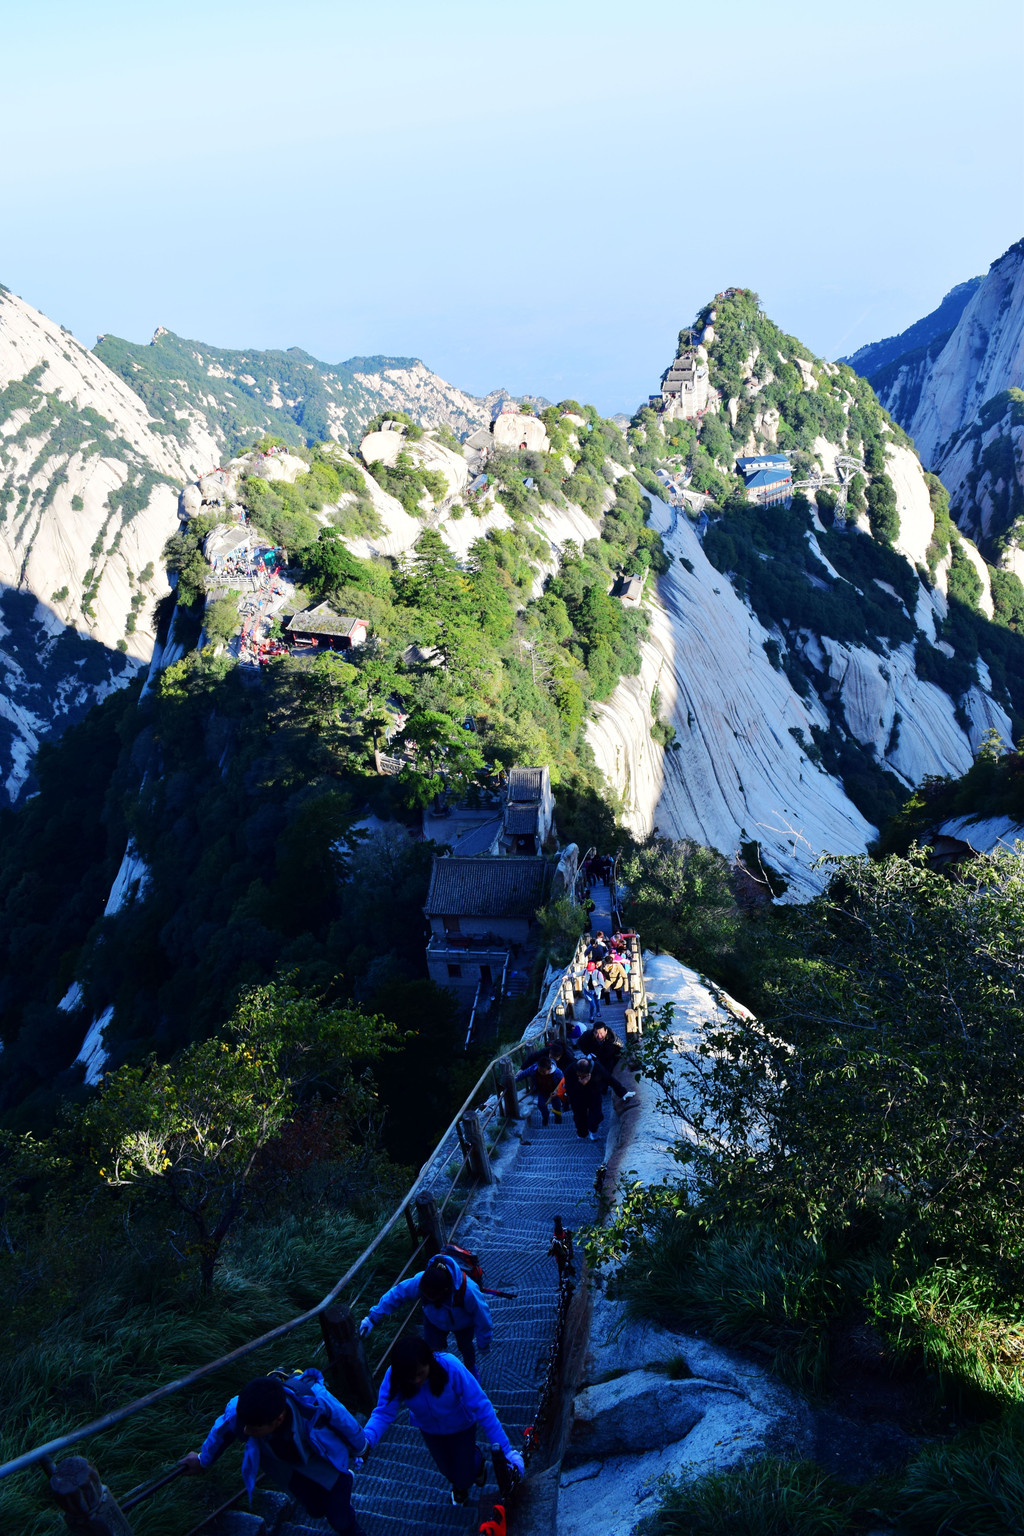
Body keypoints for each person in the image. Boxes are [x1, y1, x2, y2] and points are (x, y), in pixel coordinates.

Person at [182, 1372, 367, 1535]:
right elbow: (221, 1432)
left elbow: (344, 1420)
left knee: (339, 1517)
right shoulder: (244, 1413)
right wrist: (202, 1460)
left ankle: (351, 1528)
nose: (245, 1431)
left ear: (278, 1419)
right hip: (290, 1469)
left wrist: (361, 1448)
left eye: (254, 1428)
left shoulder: (312, 1400)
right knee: (315, 1509)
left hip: (326, 1462)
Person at [364, 1337, 524, 1507]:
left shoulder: (450, 1367)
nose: (416, 1381)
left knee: (464, 1475)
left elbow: (482, 1406)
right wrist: (366, 1439)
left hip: (461, 1426)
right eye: (410, 1378)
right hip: (430, 1430)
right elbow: (383, 1412)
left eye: (420, 1373)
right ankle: (470, 1469)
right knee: (447, 1470)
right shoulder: (395, 1376)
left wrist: (506, 1451)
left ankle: (470, 1471)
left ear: (429, 1361)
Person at [360, 1252, 492, 1376]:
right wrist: (372, 1318)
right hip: (433, 1321)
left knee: (466, 1347)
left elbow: (482, 1316)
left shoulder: (468, 1291)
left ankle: (470, 1369)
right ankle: (437, 1375)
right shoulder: (421, 1280)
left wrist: (483, 1343)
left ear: (445, 1290)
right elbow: (397, 1294)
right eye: (424, 1294)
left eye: (431, 1296)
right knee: (431, 1351)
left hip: (463, 1325)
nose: (426, 1297)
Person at [563, 1052, 635, 1140]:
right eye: (579, 1075)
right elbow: (569, 1090)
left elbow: (610, 1079)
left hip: (593, 1094)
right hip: (577, 1097)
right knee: (579, 1117)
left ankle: (593, 1130)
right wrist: (581, 1084)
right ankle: (582, 1133)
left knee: (595, 1116)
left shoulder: (597, 1068)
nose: (581, 1077)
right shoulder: (569, 1070)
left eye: (584, 1076)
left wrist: (623, 1093)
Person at [515, 1053, 564, 1126]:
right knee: (541, 1105)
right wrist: (514, 1080)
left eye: (543, 1072)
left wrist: (557, 1093)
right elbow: (524, 1074)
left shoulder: (558, 1073)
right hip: (542, 1092)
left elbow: (563, 1084)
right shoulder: (534, 1069)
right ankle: (545, 1117)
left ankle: (558, 1117)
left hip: (554, 1092)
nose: (540, 1073)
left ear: (549, 1069)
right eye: (539, 1071)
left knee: (557, 1106)